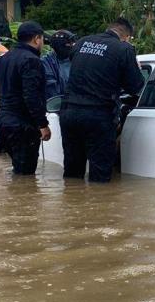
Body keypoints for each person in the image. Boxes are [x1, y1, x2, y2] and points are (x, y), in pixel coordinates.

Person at [60, 18, 144, 182]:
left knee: (72, 172)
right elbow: (135, 87)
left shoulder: (83, 42)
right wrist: (135, 68)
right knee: (100, 175)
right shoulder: (123, 49)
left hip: (69, 113)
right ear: (126, 36)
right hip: (98, 116)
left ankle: (71, 205)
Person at [0, 21, 51, 175]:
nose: (42, 43)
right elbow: (32, 96)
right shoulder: (32, 60)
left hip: (3, 122)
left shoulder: (4, 58)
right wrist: (42, 124)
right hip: (23, 125)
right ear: (37, 39)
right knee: (26, 176)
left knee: (19, 170)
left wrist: (7, 104)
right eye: (42, 39)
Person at [41, 29, 76, 100]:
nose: (73, 45)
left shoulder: (76, 59)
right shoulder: (46, 62)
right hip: (59, 104)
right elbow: (52, 91)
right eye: (70, 43)